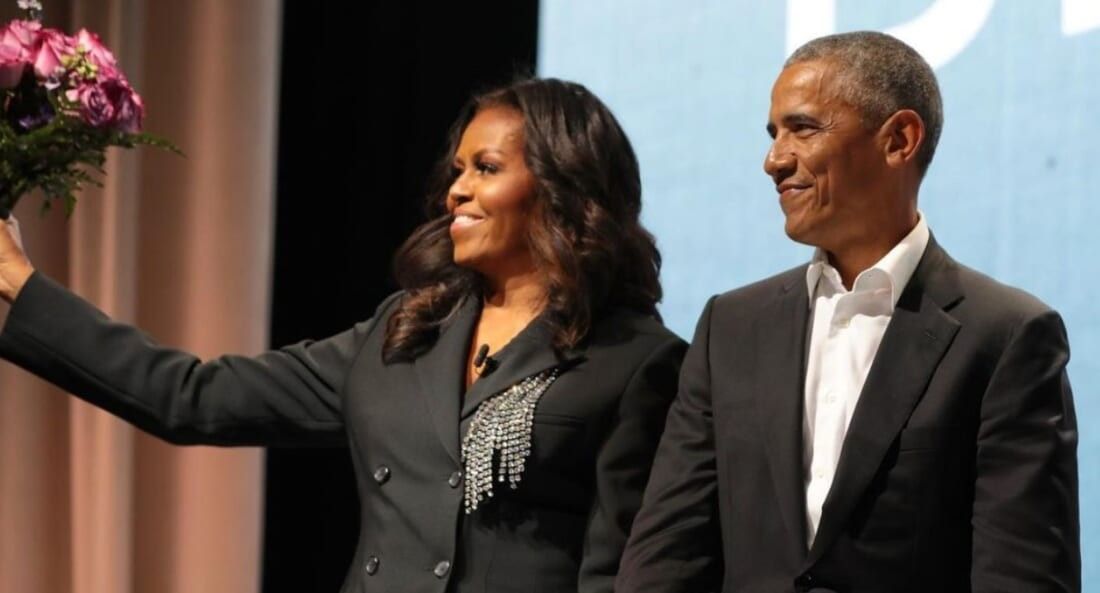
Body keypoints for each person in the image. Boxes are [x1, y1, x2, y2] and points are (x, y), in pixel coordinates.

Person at [0, 78, 686, 593]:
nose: (456, 192)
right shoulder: (404, 332)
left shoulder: (634, 362)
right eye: (457, 171)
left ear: (563, 185)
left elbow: (626, 574)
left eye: (486, 169)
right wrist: (23, 290)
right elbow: (193, 396)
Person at [616, 31, 1079, 592]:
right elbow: (667, 556)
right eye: (772, 134)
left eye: (802, 128)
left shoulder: (1004, 336)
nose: (773, 160)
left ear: (899, 140)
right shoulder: (730, 328)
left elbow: (1022, 576)